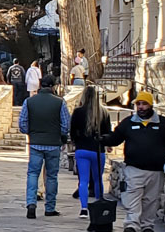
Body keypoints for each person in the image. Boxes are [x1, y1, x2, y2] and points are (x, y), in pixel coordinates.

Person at [102, 92, 165, 232]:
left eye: (144, 104)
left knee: (150, 200)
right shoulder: (128, 123)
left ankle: (147, 225)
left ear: (151, 105)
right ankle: (132, 224)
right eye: (138, 104)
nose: (141, 107)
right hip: (134, 168)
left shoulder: (163, 124)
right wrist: (101, 139)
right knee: (132, 197)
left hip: (156, 170)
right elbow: (115, 139)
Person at [19, 74, 69, 219]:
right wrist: (59, 135)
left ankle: (31, 203)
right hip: (53, 144)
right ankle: (50, 207)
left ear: (40, 85)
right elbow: (66, 125)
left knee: (33, 173)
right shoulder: (60, 103)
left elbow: (22, 124)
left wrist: (31, 132)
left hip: (35, 143)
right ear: (53, 86)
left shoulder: (29, 102)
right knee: (52, 176)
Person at [70, 85, 112, 221]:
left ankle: (83, 209)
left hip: (82, 149)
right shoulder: (104, 113)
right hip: (98, 150)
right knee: (97, 179)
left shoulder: (78, 112)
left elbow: (72, 131)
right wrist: (107, 144)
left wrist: (76, 143)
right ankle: (98, 203)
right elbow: (107, 132)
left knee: (83, 180)